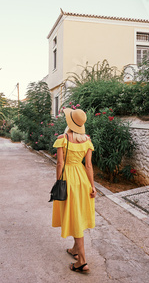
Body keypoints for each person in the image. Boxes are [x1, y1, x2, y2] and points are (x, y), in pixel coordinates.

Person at [52, 108, 97, 273]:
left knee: (74, 216)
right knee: (78, 214)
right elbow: (89, 165)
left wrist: (59, 183)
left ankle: (82, 262)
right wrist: (92, 186)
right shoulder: (87, 140)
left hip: (69, 179)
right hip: (83, 180)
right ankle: (75, 250)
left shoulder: (63, 139)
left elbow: (60, 164)